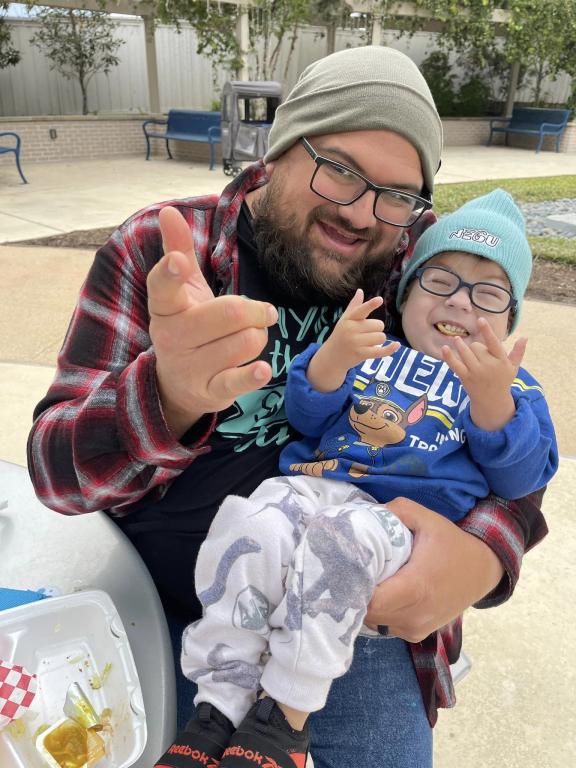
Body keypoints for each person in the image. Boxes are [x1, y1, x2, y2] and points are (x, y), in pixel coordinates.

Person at [26, 46, 549, 768]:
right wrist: (165, 394)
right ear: (278, 151)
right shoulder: (167, 251)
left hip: (351, 615)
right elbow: (57, 477)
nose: (363, 214)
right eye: (339, 169)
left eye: (397, 194)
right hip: (160, 594)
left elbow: (508, 420)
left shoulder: (420, 275)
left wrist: (485, 556)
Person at [153, 190, 557, 768]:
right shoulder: (374, 348)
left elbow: (520, 478)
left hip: (396, 521)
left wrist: (493, 404)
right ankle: (217, 706)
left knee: (335, 543)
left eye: (489, 294)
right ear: (407, 292)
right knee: (246, 522)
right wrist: (335, 357)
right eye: (440, 281)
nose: (462, 303)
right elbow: (307, 413)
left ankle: (284, 720)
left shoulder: (514, 388)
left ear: (510, 318)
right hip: (313, 486)